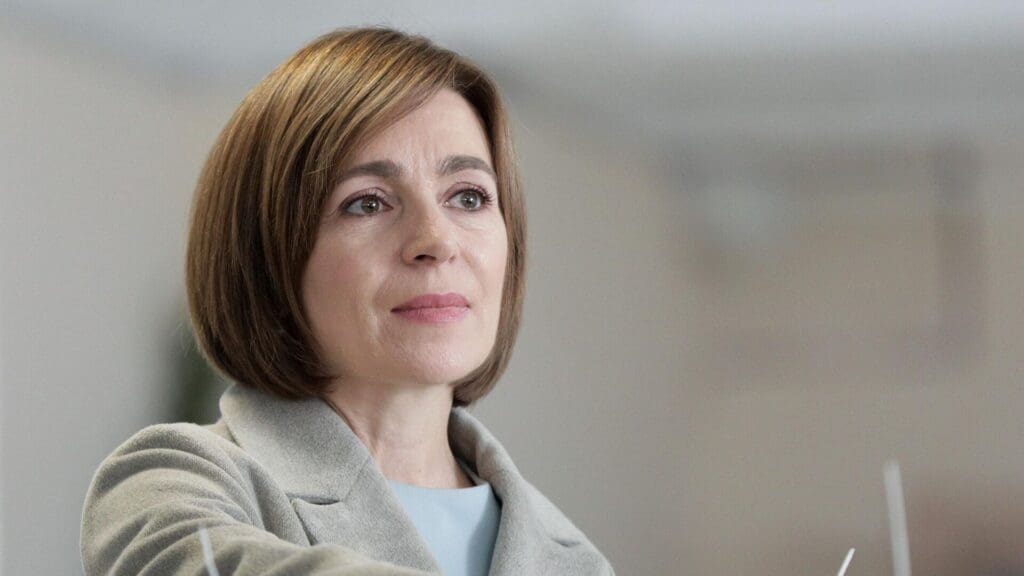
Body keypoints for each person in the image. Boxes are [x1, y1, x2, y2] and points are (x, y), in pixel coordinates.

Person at [80, 27, 615, 576]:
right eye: (367, 203)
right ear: (268, 256)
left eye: (469, 196)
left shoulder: (577, 561)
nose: (437, 240)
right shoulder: (172, 485)